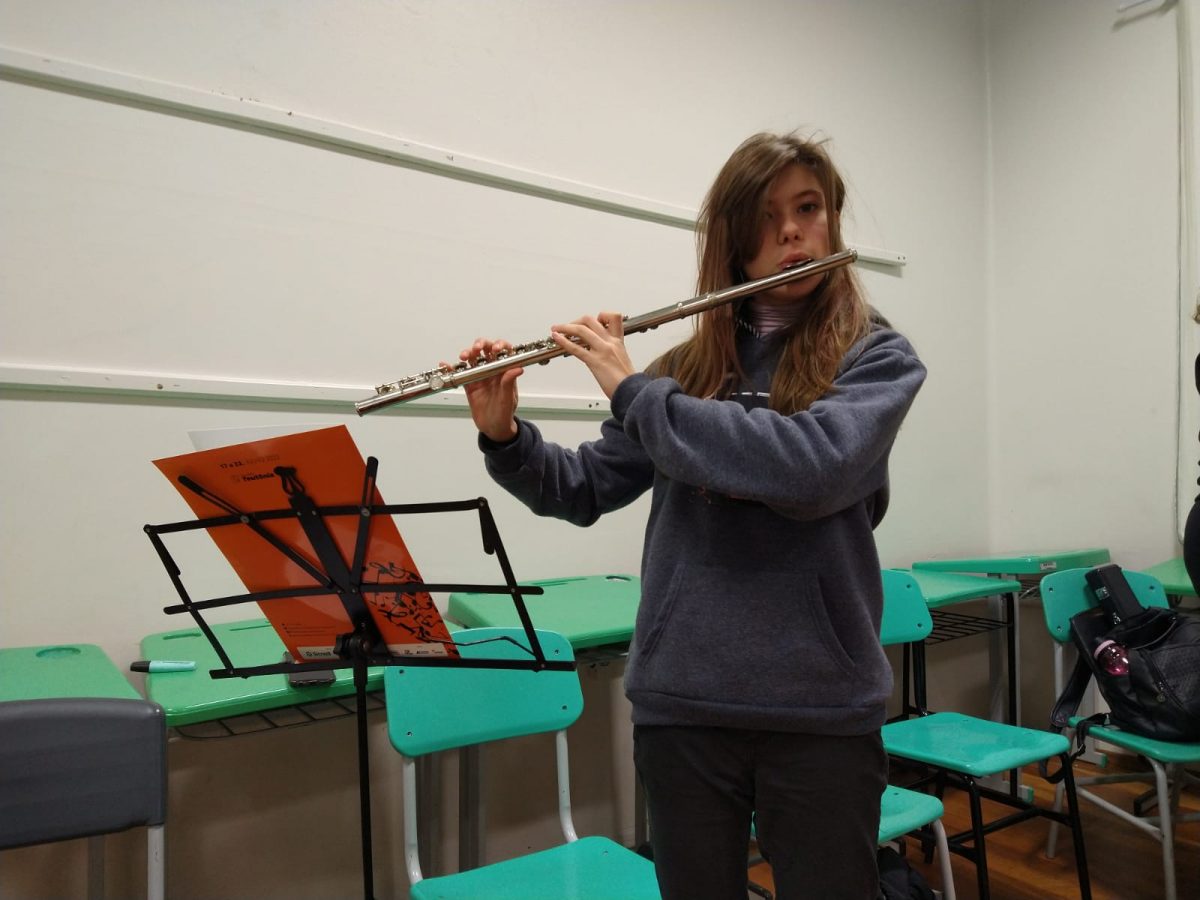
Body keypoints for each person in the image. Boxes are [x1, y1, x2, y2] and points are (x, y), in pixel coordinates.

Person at [455, 131, 927, 900]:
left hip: (820, 708)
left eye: (808, 208)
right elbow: (583, 488)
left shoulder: (877, 359)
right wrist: (505, 436)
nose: (791, 232)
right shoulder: (685, 369)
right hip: (683, 703)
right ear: (733, 241)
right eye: (766, 216)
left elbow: (811, 469)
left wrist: (636, 393)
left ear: (832, 220)